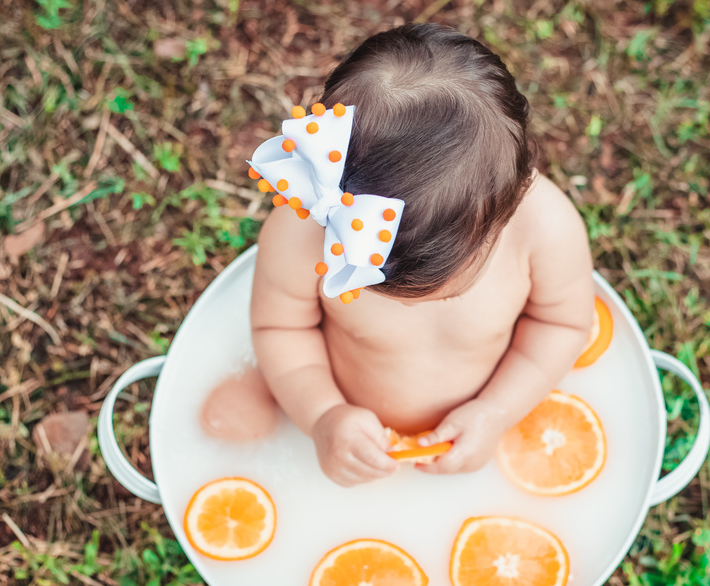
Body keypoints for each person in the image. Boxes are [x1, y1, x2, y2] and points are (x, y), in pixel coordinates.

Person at [244, 22, 594, 486]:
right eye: (367, 281)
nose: (409, 308)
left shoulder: (546, 229)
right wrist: (322, 415)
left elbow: (562, 324)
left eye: (442, 293)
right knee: (232, 421)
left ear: (508, 209)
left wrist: (496, 412)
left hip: (488, 432)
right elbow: (279, 327)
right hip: (347, 427)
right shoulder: (297, 234)